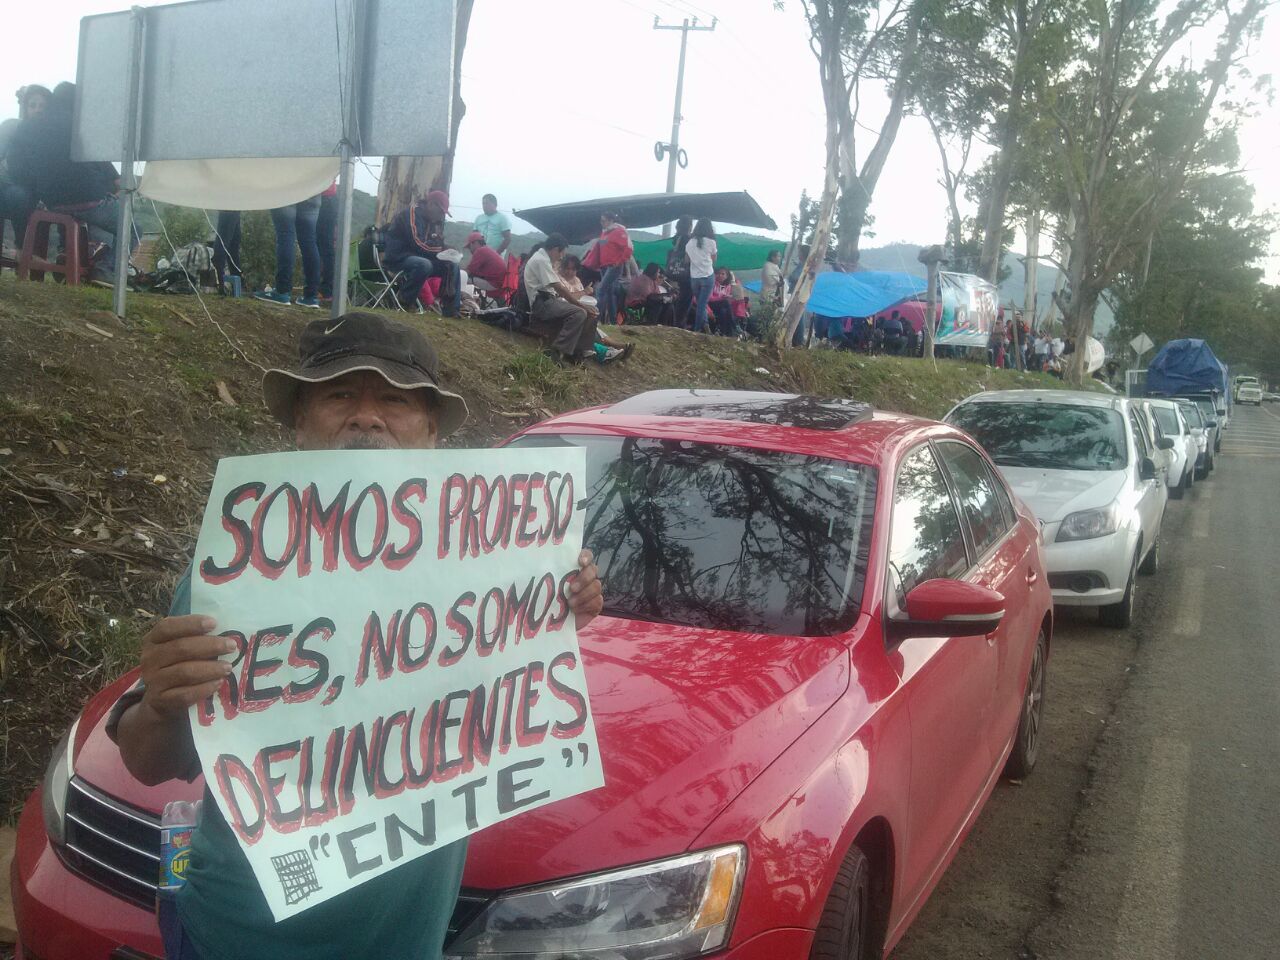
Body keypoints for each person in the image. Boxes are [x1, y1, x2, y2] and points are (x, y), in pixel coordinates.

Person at [108, 312, 604, 960]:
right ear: (300, 423)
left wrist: (557, 606)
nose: (366, 418)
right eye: (340, 394)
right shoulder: (237, 572)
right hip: (239, 939)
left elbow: (508, 703)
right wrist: (164, 701)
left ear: (430, 431)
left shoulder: (490, 568)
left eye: (393, 400)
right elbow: (150, 764)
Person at [6, 82, 129, 283]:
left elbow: (18, 167)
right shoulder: (79, 126)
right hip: (86, 200)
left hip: (51, 199)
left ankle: (67, 254)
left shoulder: (29, 128)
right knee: (131, 228)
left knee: (71, 210)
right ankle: (104, 270)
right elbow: (103, 167)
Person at [524, 233, 603, 363]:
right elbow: (559, 288)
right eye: (561, 253)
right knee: (579, 312)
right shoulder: (541, 260)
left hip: (549, 300)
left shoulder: (544, 259)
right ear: (555, 249)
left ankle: (578, 352)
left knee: (592, 313)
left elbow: (558, 290)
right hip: (542, 303)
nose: (561, 257)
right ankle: (556, 350)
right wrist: (581, 305)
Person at [382, 190, 462, 317]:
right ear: (431, 204)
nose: (442, 216)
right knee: (424, 265)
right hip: (399, 257)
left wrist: (447, 250)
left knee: (452, 265)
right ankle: (404, 301)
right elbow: (418, 243)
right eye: (441, 211)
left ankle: (452, 310)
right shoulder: (411, 213)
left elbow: (432, 243)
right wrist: (441, 250)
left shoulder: (431, 222)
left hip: (419, 257)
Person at [1, 84, 51, 253]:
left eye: (43, 106)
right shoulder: (12, 127)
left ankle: (22, 247)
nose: (37, 110)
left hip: (32, 190)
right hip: (7, 184)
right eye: (33, 105)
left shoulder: (52, 135)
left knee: (17, 195)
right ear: (25, 107)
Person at [255, 194, 322, 307]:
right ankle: (311, 296)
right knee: (309, 240)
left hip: (288, 189)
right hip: (313, 190)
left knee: (285, 235)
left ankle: (282, 291)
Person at [592, 211, 632, 328]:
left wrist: (619, 262)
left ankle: (596, 318)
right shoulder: (604, 233)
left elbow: (628, 249)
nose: (601, 223)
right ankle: (613, 321)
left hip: (613, 266)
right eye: (601, 220)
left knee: (601, 290)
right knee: (609, 293)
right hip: (604, 265)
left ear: (611, 221)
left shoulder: (619, 232)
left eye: (603, 220)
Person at [687, 218, 717, 334]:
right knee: (702, 304)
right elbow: (714, 259)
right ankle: (697, 330)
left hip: (694, 277)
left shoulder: (689, 243)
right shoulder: (711, 242)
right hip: (707, 276)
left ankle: (705, 325)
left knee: (700, 302)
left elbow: (687, 260)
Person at [666, 217, 694, 327]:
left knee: (683, 296)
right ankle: (680, 323)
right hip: (686, 271)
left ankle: (678, 322)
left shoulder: (677, 237)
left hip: (678, 270)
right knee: (686, 298)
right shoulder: (687, 238)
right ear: (689, 226)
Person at [316, 181, 339, 301]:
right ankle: (320, 288)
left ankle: (325, 290)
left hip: (325, 197)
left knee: (325, 246)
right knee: (319, 245)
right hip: (324, 197)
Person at [211, 211, 242, 295]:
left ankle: (238, 287)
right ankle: (218, 284)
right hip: (230, 204)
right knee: (223, 239)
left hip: (236, 205)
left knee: (234, 243)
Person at [708, 268, 738, 336]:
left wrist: (729, 298)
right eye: (718, 273)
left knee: (723, 311)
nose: (720, 275)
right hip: (712, 305)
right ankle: (735, 326)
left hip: (722, 307)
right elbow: (709, 298)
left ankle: (723, 332)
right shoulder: (712, 283)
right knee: (725, 302)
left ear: (727, 276)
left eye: (723, 274)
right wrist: (721, 298)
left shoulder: (728, 286)